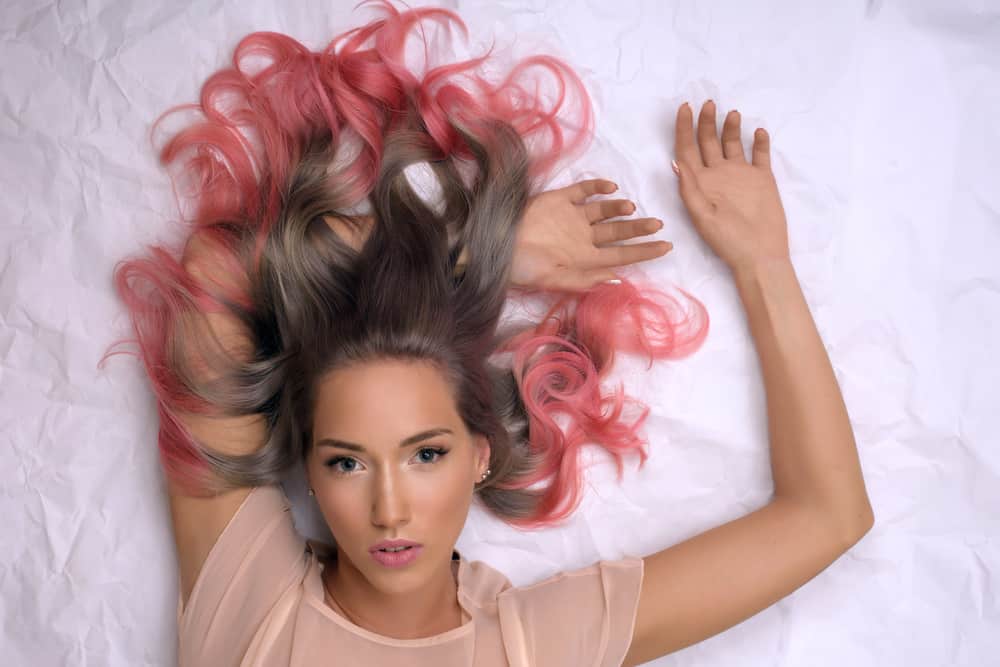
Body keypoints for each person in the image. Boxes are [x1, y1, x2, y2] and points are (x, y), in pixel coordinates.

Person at [110, 3, 874, 665]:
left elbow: (828, 517)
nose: (389, 508)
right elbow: (220, 266)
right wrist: (479, 249)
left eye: (427, 453)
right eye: (346, 461)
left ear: (480, 454)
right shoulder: (249, 607)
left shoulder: (529, 647)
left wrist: (766, 267)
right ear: (306, 470)